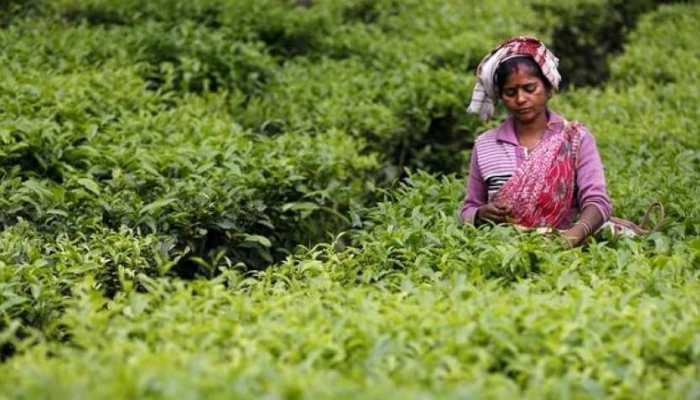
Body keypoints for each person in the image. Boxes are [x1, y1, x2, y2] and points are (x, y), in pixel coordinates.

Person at [459, 36, 612, 247]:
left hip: (571, 250)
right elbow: (468, 209)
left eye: (530, 89)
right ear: (501, 97)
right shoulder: (485, 145)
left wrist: (572, 237)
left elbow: (598, 202)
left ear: (548, 88)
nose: (521, 99)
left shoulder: (576, 139)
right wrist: (480, 214)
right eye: (510, 93)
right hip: (503, 252)